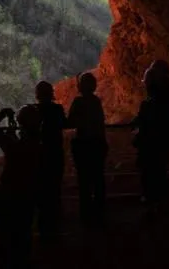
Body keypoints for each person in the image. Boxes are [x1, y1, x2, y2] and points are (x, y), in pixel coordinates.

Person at [0, 104, 43, 269]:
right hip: (27, 195)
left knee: (5, 237)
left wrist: (3, 114)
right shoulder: (39, 147)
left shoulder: (14, 146)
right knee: (24, 234)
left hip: (7, 193)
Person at [132, 60, 169, 210]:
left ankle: (153, 203)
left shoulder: (153, 101)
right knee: (159, 172)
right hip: (163, 141)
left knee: (151, 173)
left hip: (152, 144)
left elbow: (148, 119)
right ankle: (160, 204)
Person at [67, 72, 107, 225]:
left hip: (83, 144)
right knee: (98, 179)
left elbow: (70, 122)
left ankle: (86, 214)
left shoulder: (78, 102)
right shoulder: (96, 101)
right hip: (97, 144)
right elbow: (100, 124)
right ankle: (100, 212)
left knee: (84, 180)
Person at [34, 80, 66, 240]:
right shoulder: (57, 109)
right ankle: (55, 225)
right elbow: (65, 124)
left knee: (40, 188)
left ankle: (42, 225)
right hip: (55, 154)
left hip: (40, 155)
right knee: (55, 188)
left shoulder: (34, 111)